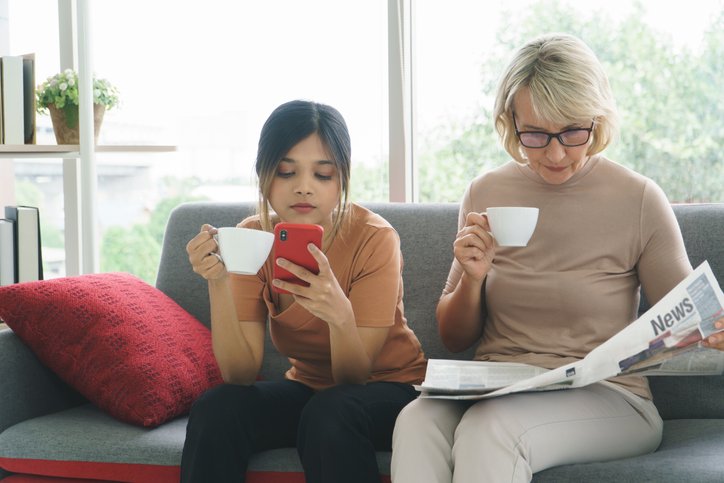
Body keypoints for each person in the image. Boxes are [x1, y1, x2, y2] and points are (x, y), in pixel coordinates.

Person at [391, 33, 722, 482]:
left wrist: (713, 329)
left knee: (491, 430)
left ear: (597, 119)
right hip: (499, 385)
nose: (555, 153)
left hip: (609, 395)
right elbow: (453, 338)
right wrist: (473, 279)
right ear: (511, 122)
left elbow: (690, 314)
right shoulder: (485, 193)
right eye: (536, 134)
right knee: (416, 421)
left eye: (572, 131)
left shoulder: (638, 198)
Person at [180, 100, 426, 483]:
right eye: (286, 171)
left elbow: (352, 377)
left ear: (341, 179)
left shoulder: (374, 239)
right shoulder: (252, 239)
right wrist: (219, 281)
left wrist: (339, 315)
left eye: (322, 174)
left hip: (391, 392)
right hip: (311, 394)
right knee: (218, 406)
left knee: (332, 410)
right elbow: (239, 373)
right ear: (264, 176)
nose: (304, 187)